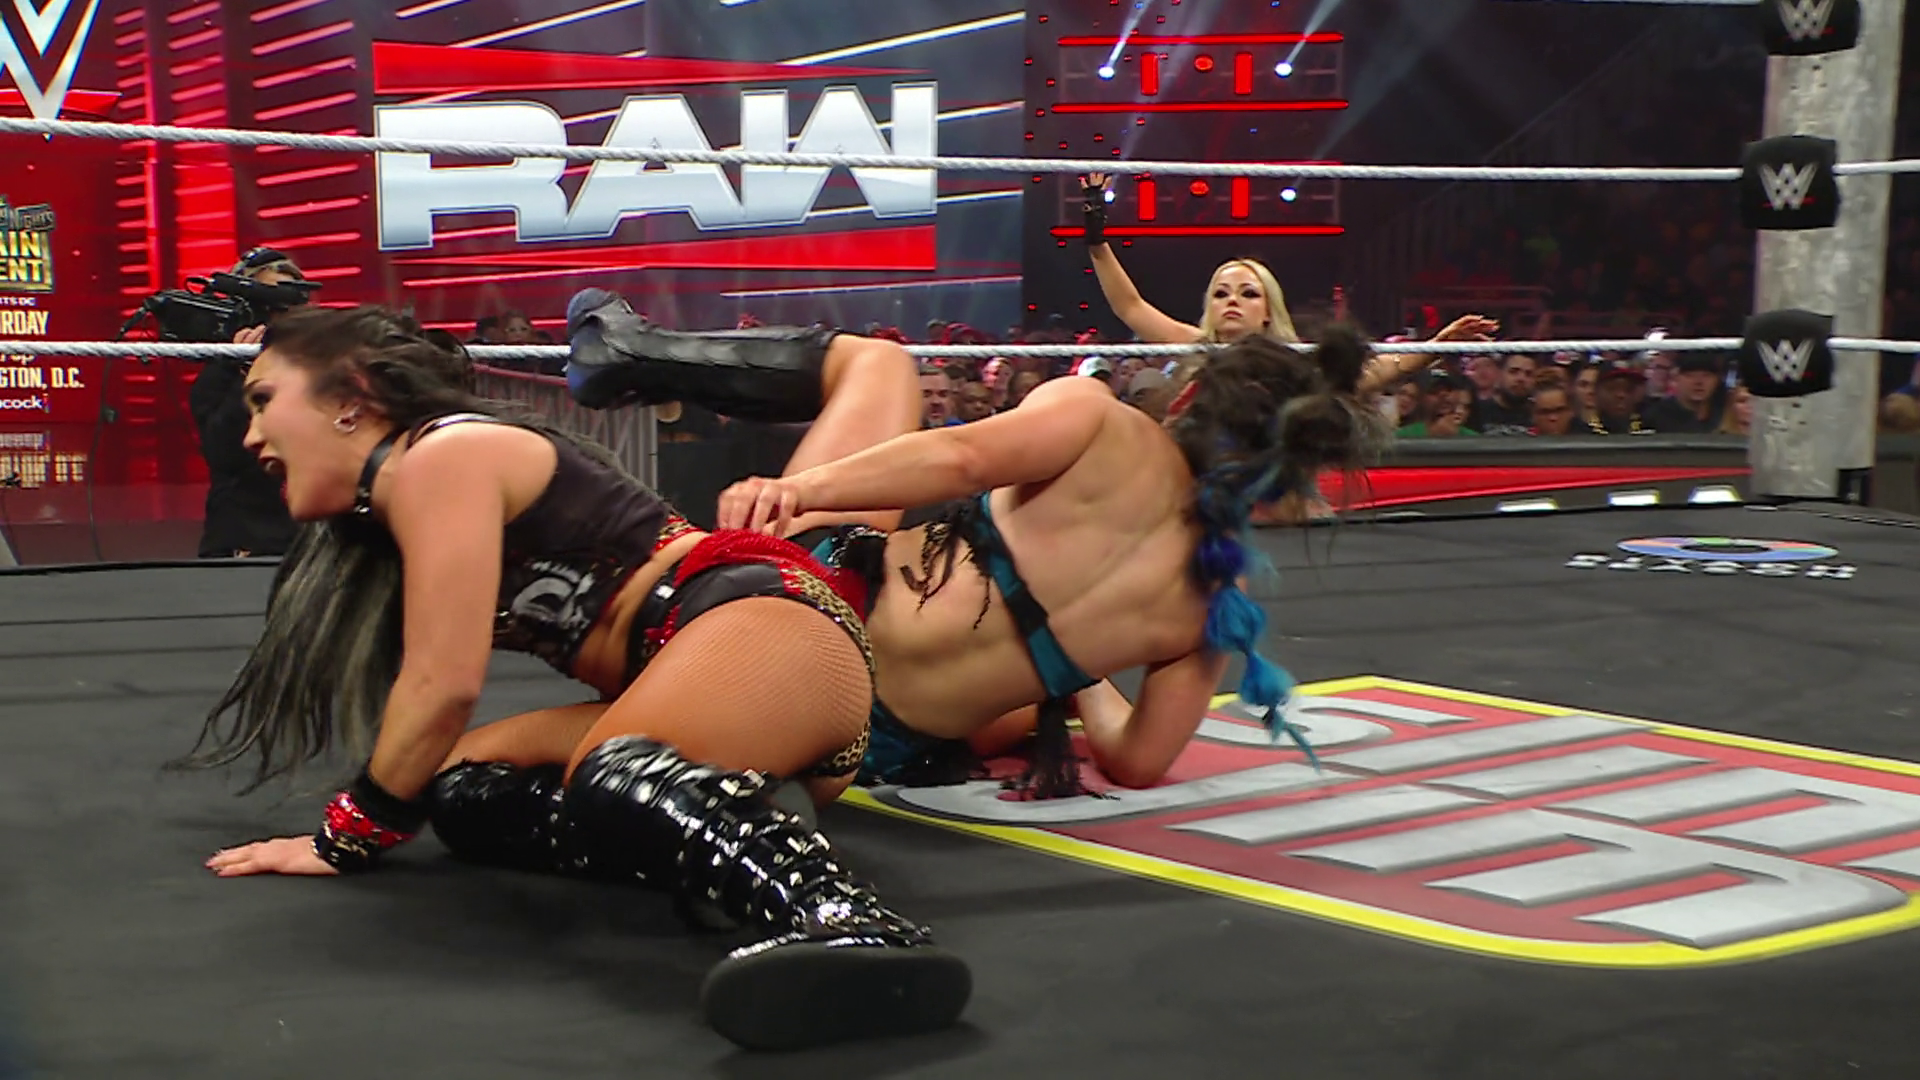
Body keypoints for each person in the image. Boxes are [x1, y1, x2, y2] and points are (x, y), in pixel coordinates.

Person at [175, 305, 967, 1052]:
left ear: (351, 399)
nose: (252, 435)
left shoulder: (442, 456)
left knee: (611, 775)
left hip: (768, 627)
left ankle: (854, 922)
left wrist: (345, 838)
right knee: (460, 788)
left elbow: (442, 684)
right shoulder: (399, 496)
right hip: (716, 682)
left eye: (264, 400)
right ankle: (725, 817)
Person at [710, 325, 1391, 795]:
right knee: (1021, 705)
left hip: (809, 613)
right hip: (864, 746)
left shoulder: (1102, 422)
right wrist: (1075, 668)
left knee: (880, 365)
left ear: (1187, 397)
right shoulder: (1219, 594)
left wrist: (800, 491)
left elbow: (960, 458)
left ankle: (651, 353)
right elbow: (1138, 761)